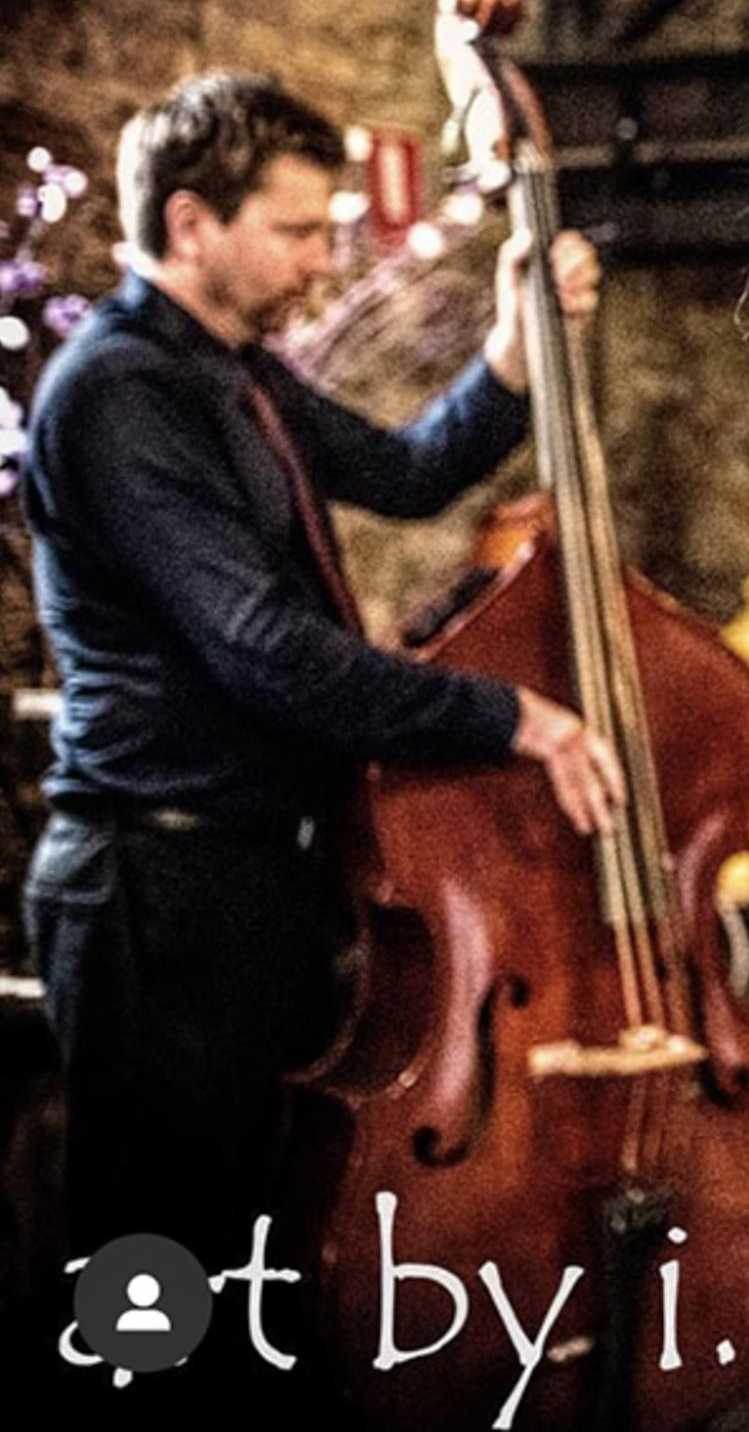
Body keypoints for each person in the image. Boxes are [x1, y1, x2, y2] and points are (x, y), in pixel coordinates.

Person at [18, 71, 623, 1295]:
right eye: (294, 230)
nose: (319, 258)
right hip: (154, 883)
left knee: (250, 1246)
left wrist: (510, 353)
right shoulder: (120, 389)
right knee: (157, 1261)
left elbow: (404, 474)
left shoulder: (233, 367)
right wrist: (508, 713)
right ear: (191, 225)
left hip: (247, 879)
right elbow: (265, 648)